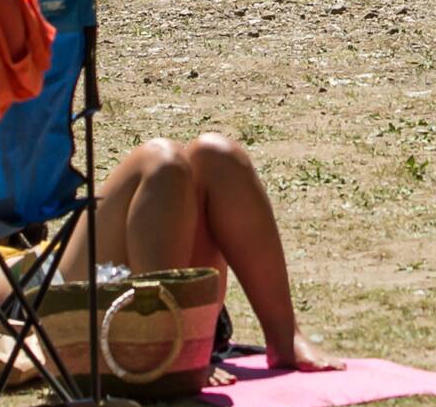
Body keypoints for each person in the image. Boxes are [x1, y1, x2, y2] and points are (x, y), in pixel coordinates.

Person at [60, 132, 338, 376]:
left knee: (217, 154)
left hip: (185, 317)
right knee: (161, 161)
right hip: (75, 317)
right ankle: (170, 352)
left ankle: (284, 338)